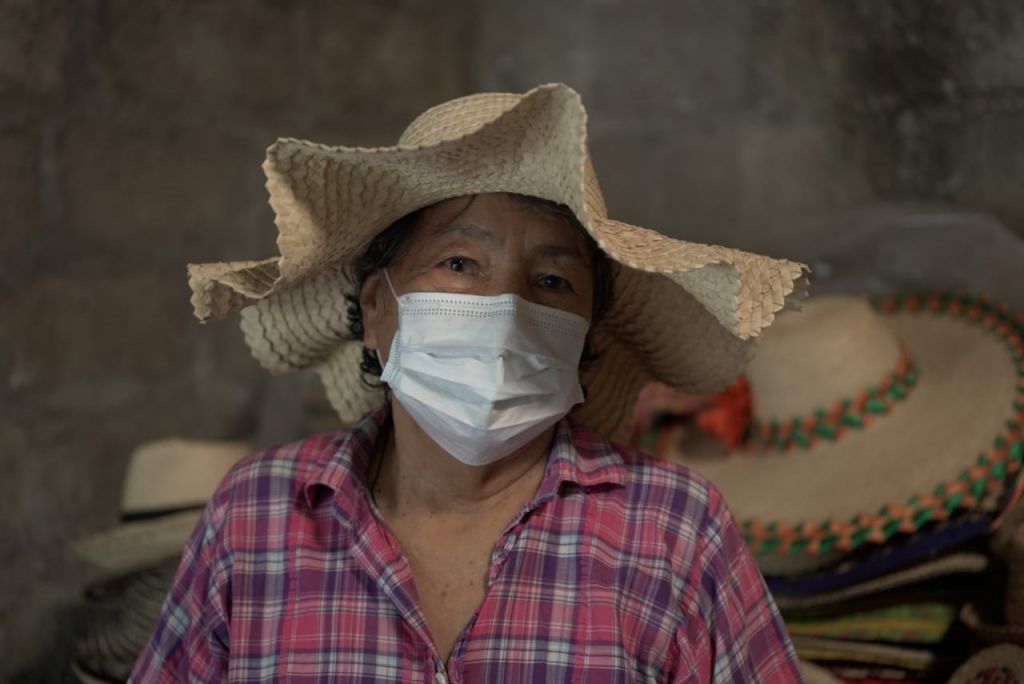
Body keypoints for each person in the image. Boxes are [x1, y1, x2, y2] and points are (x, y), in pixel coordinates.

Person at [132, 83, 807, 682]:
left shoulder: (675, 529)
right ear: (377, 309)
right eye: (460, 262)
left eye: (552, 281)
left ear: (586, 336)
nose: (508, 308)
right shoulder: (257, 517)